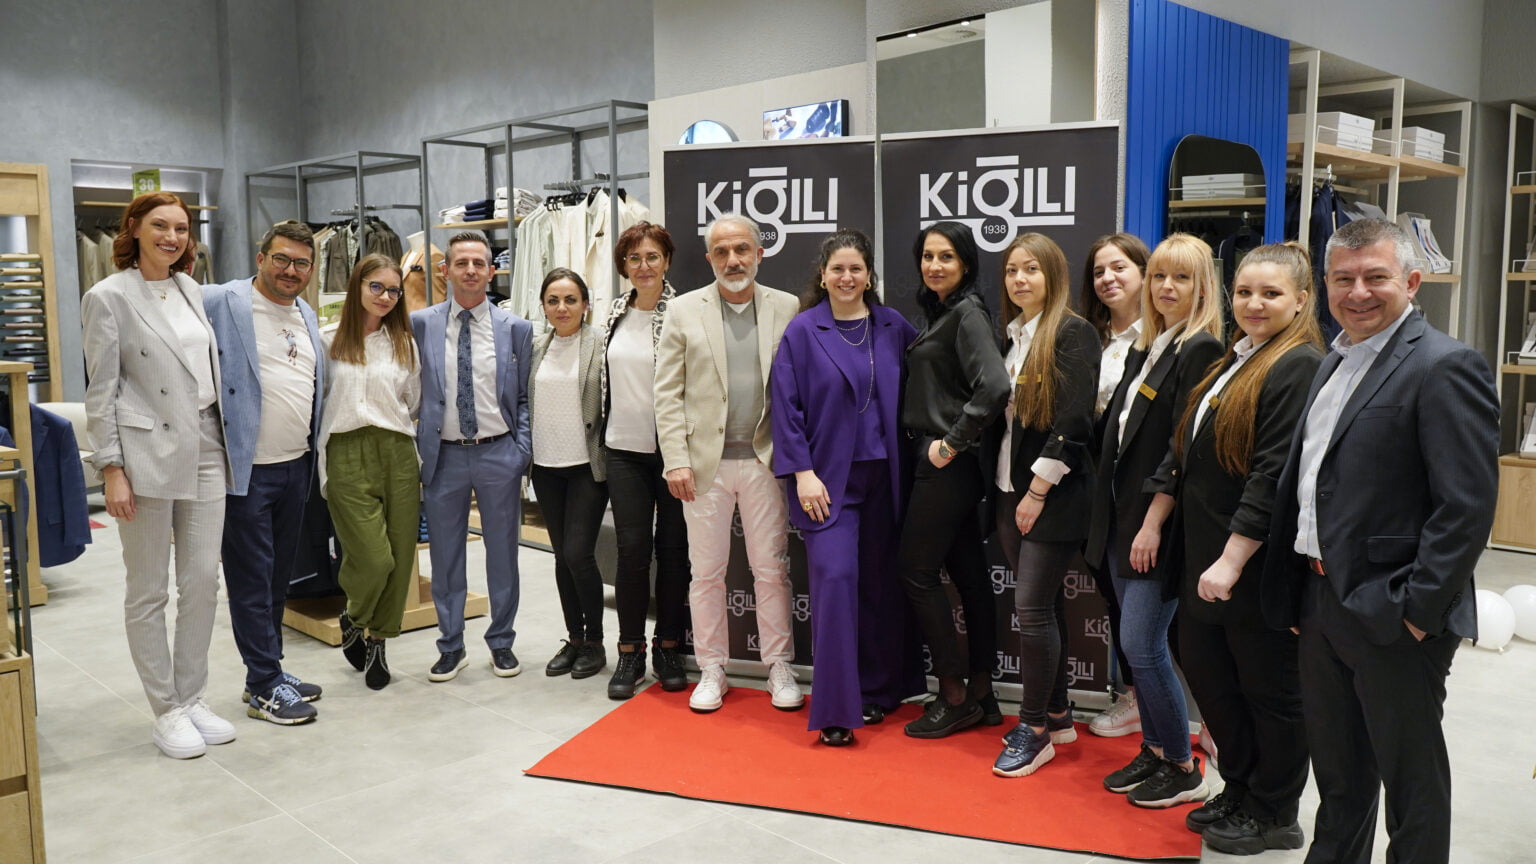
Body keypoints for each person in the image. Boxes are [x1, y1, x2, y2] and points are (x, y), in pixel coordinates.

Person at [1262, 218, 1499, 864]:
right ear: (1325, 284)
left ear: (1412, 282)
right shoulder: (1332, 361)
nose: (1358, 292)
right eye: (1343, 279)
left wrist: (1417, 611)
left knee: (1410, 784)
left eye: (1376, 277)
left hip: (1392, 612)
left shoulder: (1445, 365)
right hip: (1320, 602)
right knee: (1339, 777)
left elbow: (1466, 506)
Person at [1140, 244, 1323, 849]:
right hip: (1204, 558)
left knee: (1268, 692)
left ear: (1301, 300)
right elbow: (1185, 450)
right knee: (1214, 682)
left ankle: (1275, 812)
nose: (1254, 303)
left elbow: (1272, 474)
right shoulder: (1236, 357)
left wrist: (1231, 558)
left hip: (1251, 566)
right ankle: (1241, 788)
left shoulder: (1296, 365)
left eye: (1271, 293)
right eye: (1245, 292)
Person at [81, 192, 234, 758]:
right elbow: (101, 391)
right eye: (161, 226)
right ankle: (165, 709)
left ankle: (192, 697)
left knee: (202, 580)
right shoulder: (108, 296)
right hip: (145, 452)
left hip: (206, 444)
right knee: (148, 588)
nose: (172, 237)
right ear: (135, 229)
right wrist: (111, 468)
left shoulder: (190, 288)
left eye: (181, 228)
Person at [1083, 232, 1224, 805]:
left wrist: (1152, 522)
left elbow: (1182, 447)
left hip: (1154, 526)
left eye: (1181, 278)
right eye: (1161, 275)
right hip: (1122, 520)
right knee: (1136, 644)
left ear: (1202, 287)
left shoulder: (1199, 348)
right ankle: (1157, 748)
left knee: (1142, 644)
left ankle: (1183, 767)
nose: (1167, 287)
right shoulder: (1151, 346)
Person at [770, 228, 925, 747]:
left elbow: (927, 383)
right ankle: (837, 709)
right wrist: (802, 472)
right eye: (837, 268)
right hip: (827, 482)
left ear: (869, 276)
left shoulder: (893, 326)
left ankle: (877, 690)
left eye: (856, 268)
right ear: (822, 275)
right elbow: (784, 408)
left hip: (888, 478)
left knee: (880, 586)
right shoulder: (802, 331)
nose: (846, 277)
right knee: (835, 582)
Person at [654, 213, 802, 714]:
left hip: (766, 460)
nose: (732, 260)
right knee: (706, 573)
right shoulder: (683, 311)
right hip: (703, 466)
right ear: (709, 258)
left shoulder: (787, 307)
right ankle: (713, 667)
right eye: (721, 251)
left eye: (741, 250)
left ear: (759, 254)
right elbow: (667, 393)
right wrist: (676, 460)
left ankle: (778, 665)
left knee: (771, 570)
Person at [986, 233, 1101, 776]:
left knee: (1031, 611)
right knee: (1046, 606)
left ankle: (1032, 729)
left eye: (1031, 269)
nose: (1020, 279)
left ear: (1053, 275)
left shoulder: (1073, 333)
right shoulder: (1012, 336)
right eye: (1012, 270)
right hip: (1008, 490)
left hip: (1051, 495)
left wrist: (1036, 492)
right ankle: (1057, 713)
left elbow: (1074, 421)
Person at [203, 221, 326, 726]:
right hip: (246, 471)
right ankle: (262, 685)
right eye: (281, 259)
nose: (290, 270)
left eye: (301, 263)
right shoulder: (222, 301)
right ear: (260, 259)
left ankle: (270, 668)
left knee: (278, 577)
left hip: (295, 466)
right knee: (251, 578)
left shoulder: (306, 314)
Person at [896, 221, 1011, 738]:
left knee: (915, 570)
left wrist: (951, 443)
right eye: (927, 256)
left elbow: (995, 387)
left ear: (966, 263)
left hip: (947, 463)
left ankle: (953, 694)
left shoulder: (966, 313)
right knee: (969, 575)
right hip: (954, 466)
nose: (934, 265)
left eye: (946, 256)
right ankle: (982, 692)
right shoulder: (947, 313)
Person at [413, 231, 534, 682]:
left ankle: (501, 642)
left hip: (498, 453)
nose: (470, 271)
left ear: (491, 270)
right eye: (461, 263)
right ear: (445, 270)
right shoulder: (420, 323)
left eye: (478, 263)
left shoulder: (516, 328)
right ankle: (451, 645)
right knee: (445, 556)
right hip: (443, 456)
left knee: (502, 554)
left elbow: (524, 397)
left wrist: (520, 451)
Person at [320, 254, 420, 691]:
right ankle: (354, 615)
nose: (385, 296)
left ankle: (378, 640)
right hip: (344, 449)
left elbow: (412, 400)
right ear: (357, 287)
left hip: (397, 451)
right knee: (374, 558)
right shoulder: (326, 341)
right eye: (376, 286)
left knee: (400, 557)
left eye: (393, 290)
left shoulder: (404, 345)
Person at [602, 222, 691, 700]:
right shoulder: (614, 313)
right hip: (623, 449)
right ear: (624, 266)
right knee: (632, 551)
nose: (643, 266)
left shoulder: (685, 313)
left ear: (667, 261)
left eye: (652, 256)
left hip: (674, 452)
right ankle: (630, 649)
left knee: (675, 551)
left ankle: (670, 646)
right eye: (634, 258)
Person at [1080, 233, 1150, 738]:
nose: (1108, 278)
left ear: (1145, 273)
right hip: (1090, 491)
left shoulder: (1162, 340)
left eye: (1119, 267)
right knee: (1114, 598)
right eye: (1099, 271)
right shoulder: (1089, 338)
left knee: (1152, 613)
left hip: (1141, 494)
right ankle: (1136, 698)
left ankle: (1200, 717)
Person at [529, 268, 610, 681]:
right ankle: (574, 638)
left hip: (586, 467)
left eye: (570, 300)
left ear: (585, 304)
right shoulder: (536, 348)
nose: (562, 308)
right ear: (544, 306)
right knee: (562, 556)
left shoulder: (600, 344)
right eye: (553, 301)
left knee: (579, 553)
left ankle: (595, 641)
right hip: (546, 467)